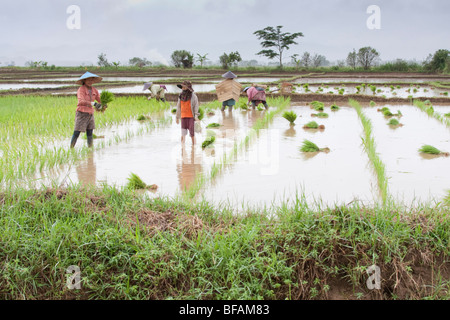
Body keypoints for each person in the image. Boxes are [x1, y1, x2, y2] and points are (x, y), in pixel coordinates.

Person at [70, 72, 106, 148]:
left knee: (90, 132)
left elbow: (99, 99)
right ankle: (71, 148)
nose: (90, 81)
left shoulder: (94, 90)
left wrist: (104, 103)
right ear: (84, 81)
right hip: (82, 113)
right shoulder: (81, 90)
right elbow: (81, 101)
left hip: (90, 113)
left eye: (91, 80)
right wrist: (93, 104)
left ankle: (90, 149)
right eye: (88, 80)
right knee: (77, 132)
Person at [175, 80, 199, 145]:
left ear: (188, 87)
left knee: (192, 134)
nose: (183, 88)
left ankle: (194, 147)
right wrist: (177, 117)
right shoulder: (180, 96)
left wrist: (196, 116)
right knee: (183, 134)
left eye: (184, 87)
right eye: (182, 87)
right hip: (183, 117)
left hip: (191, 117)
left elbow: (196, 106)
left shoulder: (193, 96)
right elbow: (178, 107)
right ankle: (182, 147)